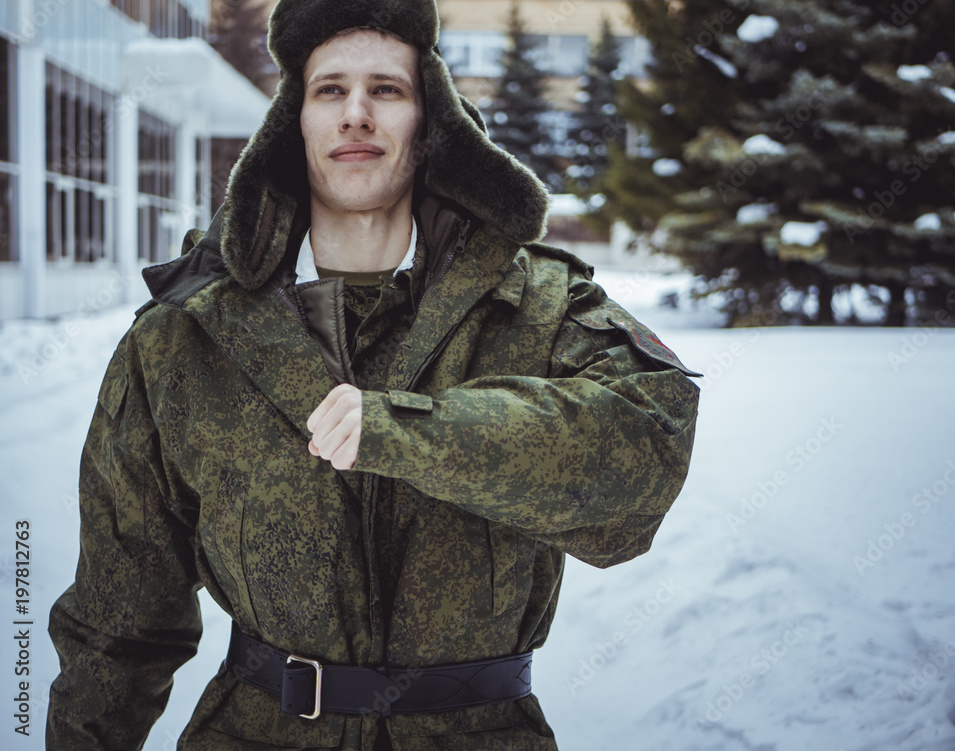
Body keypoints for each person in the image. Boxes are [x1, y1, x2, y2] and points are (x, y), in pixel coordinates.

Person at [46, 0, 701, 748]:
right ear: (295, 119)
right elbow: (118, 623)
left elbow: (649, 445)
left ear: (431, 120)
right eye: (330, 89)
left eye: (386, 89)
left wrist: (403, 432)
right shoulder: (186, 334)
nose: (356, 113)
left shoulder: (539, 306)